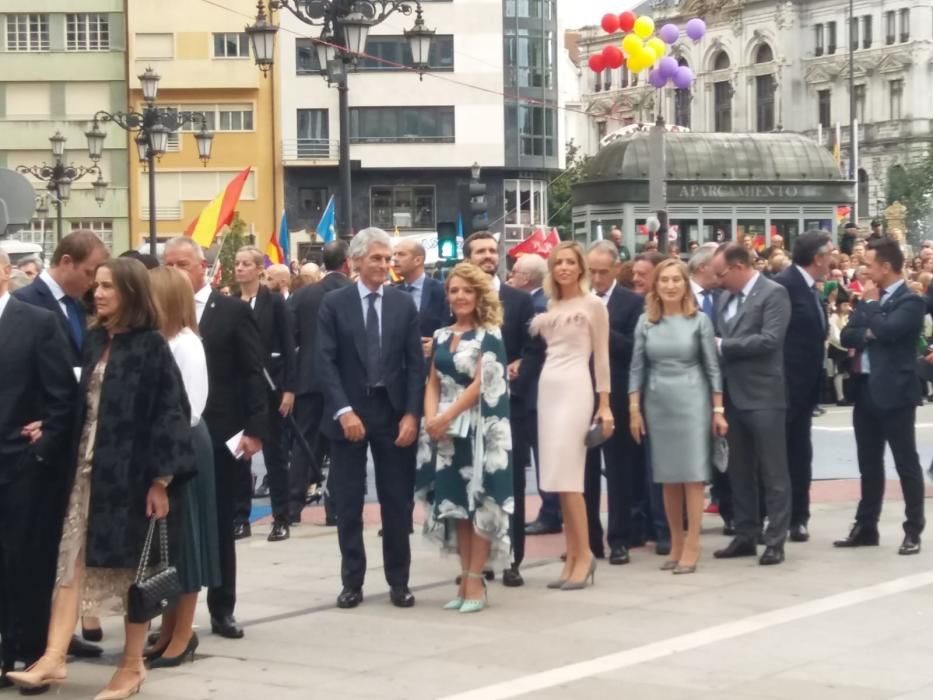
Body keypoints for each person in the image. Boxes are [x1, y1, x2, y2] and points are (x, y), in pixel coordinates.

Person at [7, 258, 195, 700]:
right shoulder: (95, 340)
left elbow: (171, 414)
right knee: (69, 563)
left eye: (109, 286)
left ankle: (131, 666)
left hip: (131, 479)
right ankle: (52, 656)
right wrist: (49, 428)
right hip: (88, 474)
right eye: (98, 285)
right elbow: (83, 403)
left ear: (130, 292)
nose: (99, 292)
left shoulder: (150, 346)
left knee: (133, 572)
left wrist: (160, 481)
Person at [163, 236, 267, 640]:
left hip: (222, 436)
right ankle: (172, 609)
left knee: (222, 524)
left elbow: (252, 373)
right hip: (174, 438)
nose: (174, 271)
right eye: (167, 264)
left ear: (202, 266)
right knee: (176, 527)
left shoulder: (233, 312)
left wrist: (255, 430)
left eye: (182, 264)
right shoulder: (161, 316)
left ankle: (222, 608)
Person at [316, 227, 424, 609]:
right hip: (349, 413)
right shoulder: (334, 304)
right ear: (356, 261)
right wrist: (343, 410)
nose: (383, 265)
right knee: (348, 501)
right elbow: (324, 361)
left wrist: (412, 414)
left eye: (388, 258)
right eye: (376, 258)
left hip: (392, 413)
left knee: (397, 502)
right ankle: (352, 582)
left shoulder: (402, 304)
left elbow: (415, 365)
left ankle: (399, 581)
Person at [14, 230, 109, 657]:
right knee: (29, 548)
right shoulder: (27, 304)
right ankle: (28, 637)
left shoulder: (81, 307)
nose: (94, 283)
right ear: (66, 262)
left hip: (67, 438)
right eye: (90, 272)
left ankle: (54, 632)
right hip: (31, 442)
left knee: (58, 544)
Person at [415, 262, 512, 613]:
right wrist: (431, 419)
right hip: (445, 430)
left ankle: (475, 581)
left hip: (477, 429)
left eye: (466, 290)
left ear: (478, 295)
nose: (459, 296)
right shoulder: (441, 335)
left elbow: (482, 384)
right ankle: (465, 575)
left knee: (478, 504)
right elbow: (433, 382)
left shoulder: (490, 335)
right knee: (456, 506)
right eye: (454, 290)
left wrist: (446, 415)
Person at [0, 250, 76, 691]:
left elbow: (61, 397)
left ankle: (31, 653)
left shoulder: (37, 322)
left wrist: (41, 451)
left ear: (7, 273)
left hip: (21, 467)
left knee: (26, 563)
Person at [143, 266, 220, 669]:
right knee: (171, 545)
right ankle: (171, 628)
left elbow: (184, 409)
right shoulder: (165, 341)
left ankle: (183, 633)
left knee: (187, 542)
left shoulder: (185, 344)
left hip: (184, 447)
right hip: (175, 444)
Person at [629, 259, 726, 574]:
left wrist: (718, 409)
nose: (670, 285)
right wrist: (634, 409)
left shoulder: (699, 321)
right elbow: (637, 367)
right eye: (664, 280)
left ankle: (694, 543)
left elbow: (712, 367)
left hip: (693, 400)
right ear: (655, 286)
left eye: (676, 280)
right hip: (658, 403)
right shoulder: (646, 322)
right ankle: (675, 542)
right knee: (667, 477)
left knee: (693, 475)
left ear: (686, 284)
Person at [836, 237, 926, 555]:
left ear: (886, 267)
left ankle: (913, 529)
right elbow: (848, 334)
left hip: (896, 393)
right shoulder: (870, 298)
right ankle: (866, 526)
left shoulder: (911, 300)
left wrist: (872, 312)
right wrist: (872, 326)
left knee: (906, 463)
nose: (865, 270)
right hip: (865, 390)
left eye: (871, 265)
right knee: (868, 463)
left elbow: (891, 331)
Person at [531, 241, 612, 590]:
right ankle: (571, 554)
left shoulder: (593, 305)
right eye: (558, 262)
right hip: (548, 388)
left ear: (580, 268)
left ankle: (585, 556)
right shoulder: (550, 304)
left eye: (570, 262)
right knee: (555, 480)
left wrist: (604, 404)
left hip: (577, 387)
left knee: (571, 478)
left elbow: (602, 359)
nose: (564, 267)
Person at [711, 243, 791, 566]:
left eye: (721, 274)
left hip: (764, 396)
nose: (717, 281)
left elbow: (770, 340)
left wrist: (723, 346)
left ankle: (775, 540)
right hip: (732, 396)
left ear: (740, 265)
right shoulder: (725, 298)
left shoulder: (774, 293)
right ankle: (745, 534)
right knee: (739, 471)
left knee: (773, 471)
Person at [464, 232, 535, 587]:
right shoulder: (457, 297)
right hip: (467, 409)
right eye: (481, 251)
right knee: (474, 484)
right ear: (468, 258)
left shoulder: (519, 301)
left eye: (493, 250)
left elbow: (532, 350)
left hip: (511, 407)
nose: (489, 256)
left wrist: (517, 373)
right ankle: (480, 560)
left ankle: (512, 559)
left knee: (511, 484)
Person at [583, 241, 643, 565]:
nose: (596, 277)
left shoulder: (632, 303)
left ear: (617, 269)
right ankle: (589, 540)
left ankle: (620, 538)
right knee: (584, 472)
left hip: (616, 396)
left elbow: (636, 349)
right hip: (581, 393)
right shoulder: (577, 300)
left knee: (619, 471)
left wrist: (601, 329)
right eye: (591, 271)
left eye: (603, 272)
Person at [233, 246, 297, 543]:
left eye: (246, 264)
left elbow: (288, 346)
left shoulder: (273, 303)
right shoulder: (231, 303)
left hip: (271, 387)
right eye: (237, 263)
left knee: (275, 455)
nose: (240, 268)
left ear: (259, 269)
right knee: (238, 456)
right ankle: (240, 517)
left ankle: (281, 517)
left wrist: (289, 390)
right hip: (239, 390)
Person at [287, 241, 352, 525]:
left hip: (308, 379)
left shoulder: (303, 295)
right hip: (343, 380)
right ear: (348, 262)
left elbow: (290, 340)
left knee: (305, 443)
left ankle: (292, 505)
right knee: (340, 445)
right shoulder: (352, 294)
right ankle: (334, 506)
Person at [773, 232, 831, 543]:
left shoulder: (810, 288)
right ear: (817, 257)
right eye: (829, 254)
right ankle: (781, 516)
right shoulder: (786, 284)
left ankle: (799, 515)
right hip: (784, 387)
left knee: (799, 453)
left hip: (805, 389)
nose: (832, 260)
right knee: (780, 455)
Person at [506, 254, 559, 536]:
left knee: (545, 455)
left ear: (525, 278)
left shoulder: (536, 306)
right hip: (536, 392)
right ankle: (551, 510)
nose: (510, 276)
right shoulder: (540, 301)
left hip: (535, 393)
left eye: (513, 271)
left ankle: (551, 511)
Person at [688, 244, 734, 535]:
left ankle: (729, 510)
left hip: (723, 384)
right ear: (705, 266)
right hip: (686, 386)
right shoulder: (678, 295)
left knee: (724, 451)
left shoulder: (724, 298)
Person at [628, 250, 671, 554]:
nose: (636, 278)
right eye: (635, 273)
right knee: (649, 467)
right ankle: (656, 527)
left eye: (643, 274)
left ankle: (674, 526)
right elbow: (637, 364)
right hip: (647, 399)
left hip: (683, 400)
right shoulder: (642, 314)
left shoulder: (694, 317)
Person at [393, 238, 450, 358]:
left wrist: (438, 344)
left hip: (433, 364)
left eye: (401, 254)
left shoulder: (441, 290)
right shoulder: (393, 293)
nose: (395, 259)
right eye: (394, 254)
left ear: (418, 260)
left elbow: (450, 325)